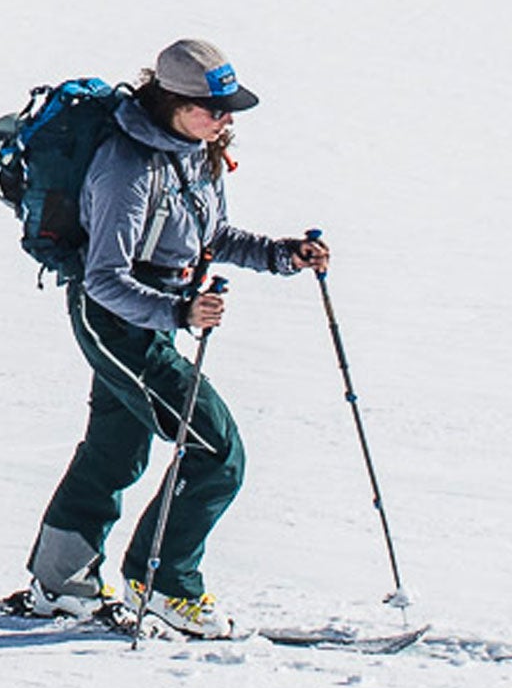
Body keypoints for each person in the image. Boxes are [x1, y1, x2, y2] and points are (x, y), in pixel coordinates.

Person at [23, 36, 327, 637]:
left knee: (115, 451)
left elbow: (214, 235)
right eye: (216, 109)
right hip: (115, 320)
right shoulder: (126, 168)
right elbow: (106, 277)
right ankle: (164, 584)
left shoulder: (195, 154)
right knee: (217, 450)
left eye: (229, 108)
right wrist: (182, 313)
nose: (226, 119)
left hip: (155, 317)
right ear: (174, 102)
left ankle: (61, 587)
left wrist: (283, 255)